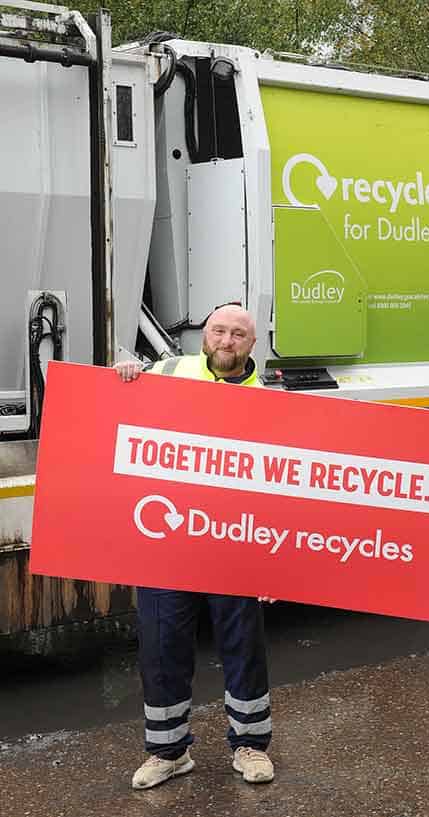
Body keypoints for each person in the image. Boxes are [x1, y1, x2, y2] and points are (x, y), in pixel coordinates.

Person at [115, 304, 276, 788]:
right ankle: (168, 752)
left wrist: (275, 562)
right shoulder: (166, 369)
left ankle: (250, 746)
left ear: (253, 345)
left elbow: (280, 487)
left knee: (242, 646)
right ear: (204, 334)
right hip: (166, 538)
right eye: (219, 331)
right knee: (161, 648)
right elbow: (114, 413)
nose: (226, 341)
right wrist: (123, 374)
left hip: (233, 544)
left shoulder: (271, 400)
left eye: (238, 335)